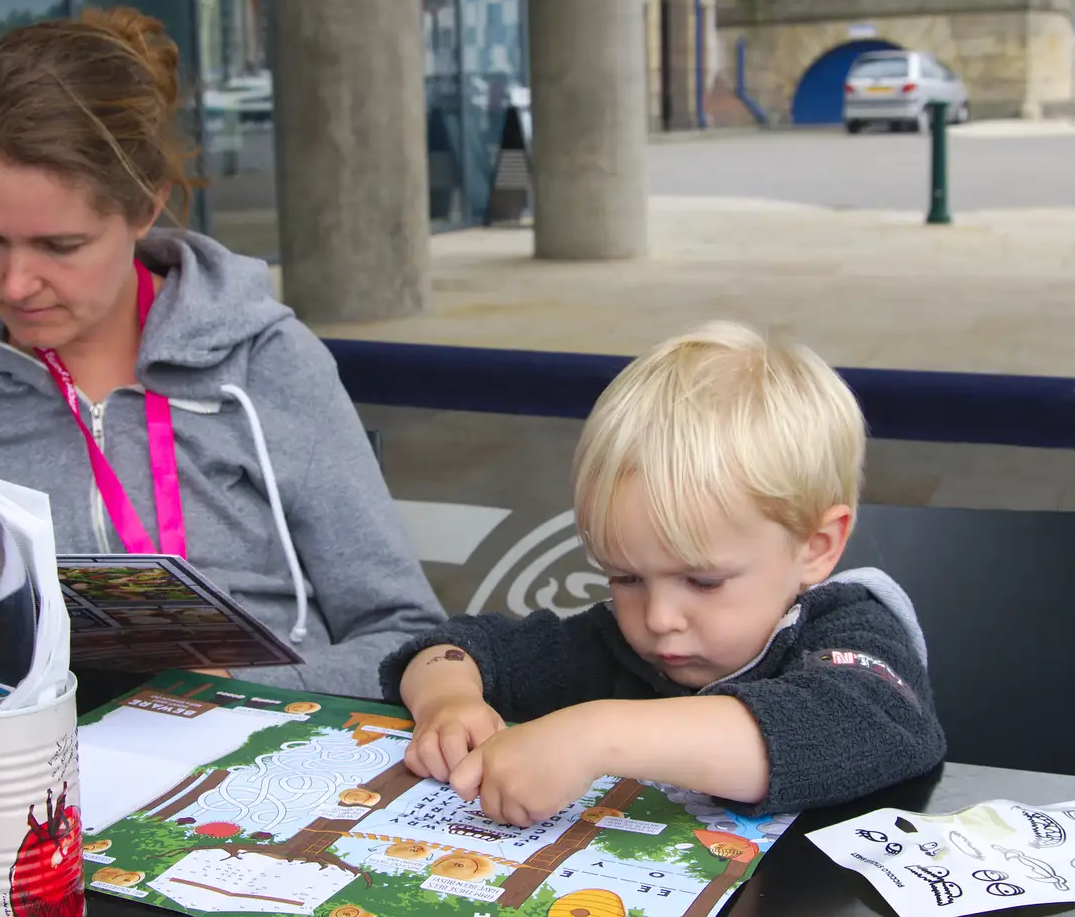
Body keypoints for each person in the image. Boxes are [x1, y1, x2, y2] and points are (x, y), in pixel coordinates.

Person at [0, 7, 446, 697]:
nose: (14, 282)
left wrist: (233, 685)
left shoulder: (266, 360)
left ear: (146, 204)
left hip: (250, 766)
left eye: (59, 246)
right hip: (12, 778)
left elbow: (406, 634)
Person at [379, 322, 945, 826]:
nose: (658, 618)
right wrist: (448, 702)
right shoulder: (614, 643)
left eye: (704, 581)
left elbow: (859, 725)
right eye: (625, 578)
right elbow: (453, 646)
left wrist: (594, 736)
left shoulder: (849, 629)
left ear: (816, 548)